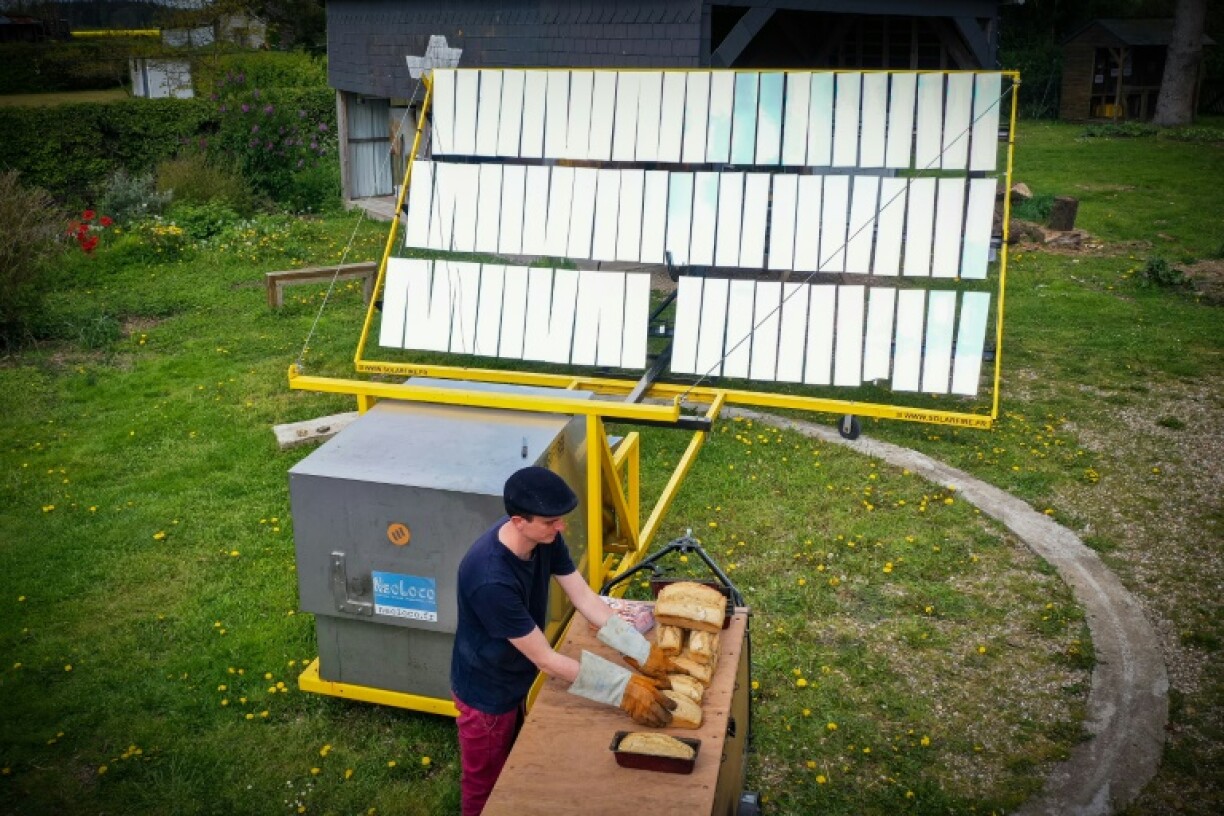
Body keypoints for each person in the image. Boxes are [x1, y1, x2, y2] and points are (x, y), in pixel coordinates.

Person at [450, 466, 678, 816]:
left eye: (560, 520)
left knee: (525, 765)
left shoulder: (544, 538)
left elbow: (584, 598)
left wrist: (639, 650)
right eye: (550, 522)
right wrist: (624, 688)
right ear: (517, 522)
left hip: (522, 669)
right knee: (487, 784)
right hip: (488, 692)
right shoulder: (489, 579)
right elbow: (546, 659)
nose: (560, 528)